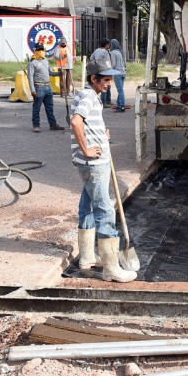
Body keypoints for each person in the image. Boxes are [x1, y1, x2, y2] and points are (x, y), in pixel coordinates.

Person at [70, 58, 136, 282]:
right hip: (93, 164)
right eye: (106, 80)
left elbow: (86, 122)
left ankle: (87, 256)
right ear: (94, 79)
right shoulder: (88, 96)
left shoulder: (90, 95)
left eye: (111, 79)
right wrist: (87, 149)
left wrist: (100, 134)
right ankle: (111, 268)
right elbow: (76, 121)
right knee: (105, 209)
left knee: (87, 206)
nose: (109, 84)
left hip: (93, 162)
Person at [28, 42, 66, 132]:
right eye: (39, 50)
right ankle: (36, 125)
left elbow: (49, 72)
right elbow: (29, 77)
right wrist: (32, 90)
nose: (41, 51)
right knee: (36, 108)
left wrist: (58, 74)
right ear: (35, 50)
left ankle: (53, 124)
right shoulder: (32, 62)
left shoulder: (45, 60)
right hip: (39, 87)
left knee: (50, 107)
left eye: (42, 49)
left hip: (48, 87)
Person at [90, 39, 112, 107]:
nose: (109, 46)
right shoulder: (105, 52)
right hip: (105, 69)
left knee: (101, 84)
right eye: (108, 44)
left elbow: (91, 58)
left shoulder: (96, 50)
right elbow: (108, 61)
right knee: (106, 84)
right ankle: (105, 101)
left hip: (97, 69)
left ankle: (105, 100)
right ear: (106, 45)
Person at [109, 39, 127, 112]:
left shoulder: (113, 52)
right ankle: (118, 105)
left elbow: (113, 64)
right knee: (121, 90)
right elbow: (124, 63)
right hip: (123, 73)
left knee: (120, 91)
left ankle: (122, 106)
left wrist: (109, 68)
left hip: (117, 73)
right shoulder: (120, 52)